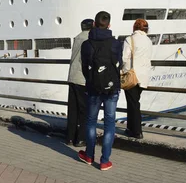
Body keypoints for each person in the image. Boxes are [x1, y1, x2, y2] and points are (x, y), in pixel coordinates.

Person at [79, 11, 123, 171]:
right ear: (109, 25)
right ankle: (105, 161)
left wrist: (91, 80)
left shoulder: (87, 44)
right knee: (109, 122)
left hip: (93, 88)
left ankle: (89, 155)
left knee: (91, 121)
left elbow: (84, 68)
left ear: (95, 24)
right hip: (112, 88)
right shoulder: (116, 43)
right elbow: (119, 64)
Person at [122, 19, 153, 139]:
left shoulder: (130, 39)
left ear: (134, 27)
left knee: (133, 103)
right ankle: (131, 128)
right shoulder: (148, 41)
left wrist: (123, 70)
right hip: (144, 76)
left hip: (132, 75)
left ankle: (136, 131)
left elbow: (124, 57)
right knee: (134, 102)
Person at [66, 18, 93, 147]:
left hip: (72, 76)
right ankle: (81, 138)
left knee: (73, 109)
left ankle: (70, 137)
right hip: (82, 78)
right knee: (84, 110)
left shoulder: (77, 38)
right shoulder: (89, 39)